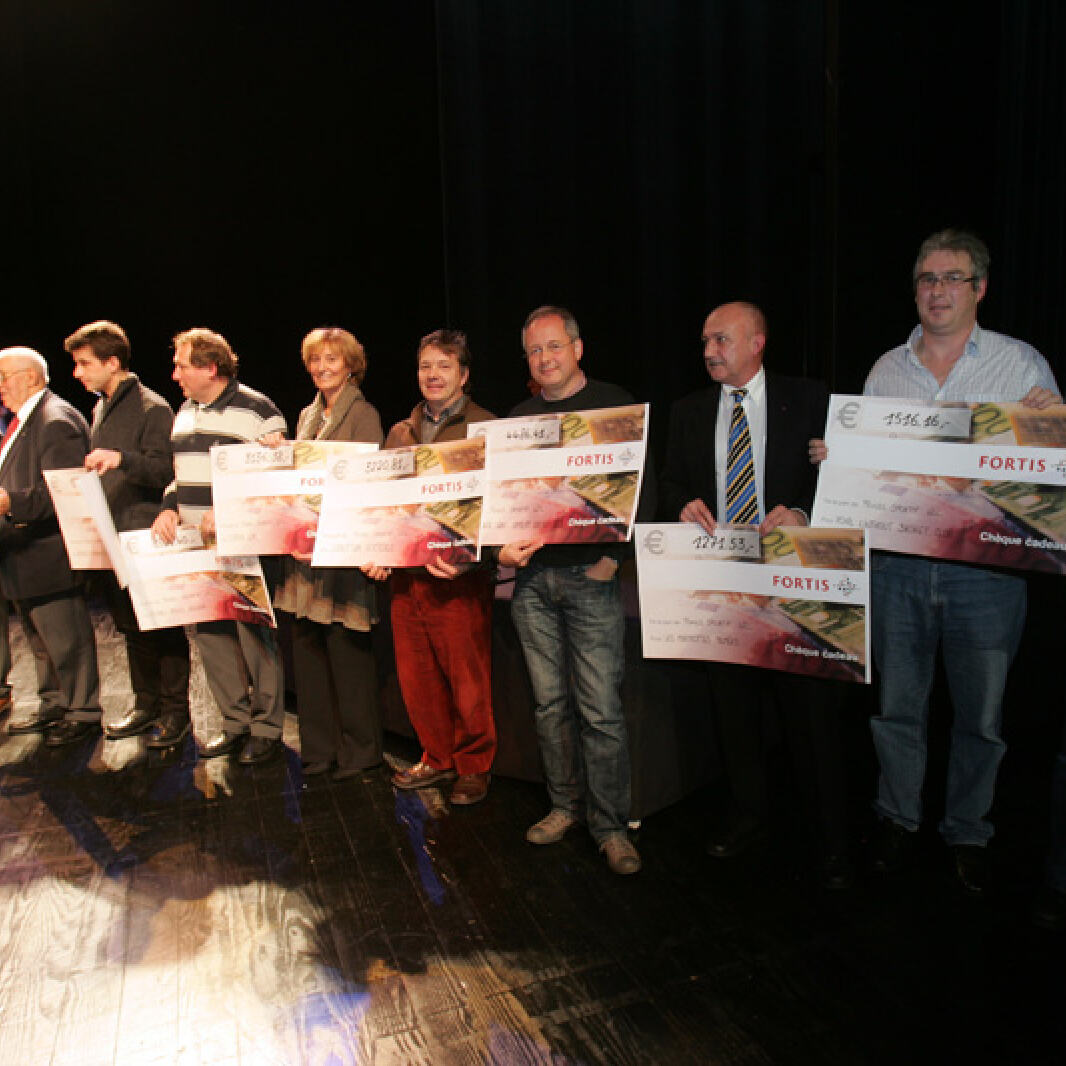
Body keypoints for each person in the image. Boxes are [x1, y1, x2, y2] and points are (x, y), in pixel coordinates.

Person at [813, 229, 1061, 896]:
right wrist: (837, 459)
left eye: (953, 278)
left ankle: (968, 832)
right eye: (927, 278)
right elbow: (866, 467)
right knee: (896, 708)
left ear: (980, 288)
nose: (938, 290)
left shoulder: (1021, 365)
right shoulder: (886, 371)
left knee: (981, 719)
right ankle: (898, 818)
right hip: (897, 568)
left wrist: (1052, 425)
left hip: (988, 577)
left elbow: (1049, 475)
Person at [660, 301, 852, 889]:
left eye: (720, 339)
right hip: (725, 585)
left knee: (809, 717)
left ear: (757, 342)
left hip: (796, 584)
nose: (709, 351)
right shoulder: (688, 411)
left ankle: (830, 837)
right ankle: (749, 815)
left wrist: (802, 511)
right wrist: (682, 505)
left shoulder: (810, 398)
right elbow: (670, 482)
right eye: (704, 341)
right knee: (734, 710)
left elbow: (843, 474)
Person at [498, 305, 641, 875]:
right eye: (534, 351)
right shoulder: (518, 419)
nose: (544, 359)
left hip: (591, 577)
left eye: (554, 346)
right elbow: (501, 499)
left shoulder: (615, 404)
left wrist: (612, 559)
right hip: (532, 581)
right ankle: (564, 807)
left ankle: (611, 828)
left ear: (578, 349)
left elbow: (640, 489)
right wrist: (500, 549)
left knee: (600, 710)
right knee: (549, 705)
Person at [151, 328, 287, 765]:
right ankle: (234, 723)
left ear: (210, 368)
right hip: (195, 543)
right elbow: (180, 475)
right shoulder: (184, 412)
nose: (175, 375)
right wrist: (168, 508)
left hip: (243, 544)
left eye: (181, 366)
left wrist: (228, 509)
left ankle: (266, 729)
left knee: (254, 637)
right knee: (211, 637)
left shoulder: (258, 411)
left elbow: (272, 482)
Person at [376, 329, 497, 806]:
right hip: (408, 576)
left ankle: (474, 766)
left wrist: (472, 560)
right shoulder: (399, 432)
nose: (433, 375)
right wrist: (378, 549)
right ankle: (437, 756)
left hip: (458, 577)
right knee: (417, 675)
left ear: (463, 375)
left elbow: (499, 504)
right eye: (426, 366)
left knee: (467, 678)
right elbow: (384, 503)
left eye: (444, 366)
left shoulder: (485, 427)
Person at [65, 320, 192, 749]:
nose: (77, 373)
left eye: (85, 363)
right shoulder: (101, 407)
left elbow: (165, 471)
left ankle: (175, 713)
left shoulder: (152, 408)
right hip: (114, 535)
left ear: (112, 362)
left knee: (162, 627)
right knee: (131, 627)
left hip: (146, 535)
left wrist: (120, 459)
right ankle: (146, 704)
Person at [274, 327, 384, 780]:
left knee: (347, 657)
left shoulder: (364, 415)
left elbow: (366, 488)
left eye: (332, 360)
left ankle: (362, 752)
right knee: (308, 655)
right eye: (316, 360)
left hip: (342, 554)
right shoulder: (306, 415)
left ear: (351, 365)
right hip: (302, 558)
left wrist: (327, 534)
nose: (322, 368)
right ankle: (318, 750)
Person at [0, 346, 103, 745]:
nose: (0, 386)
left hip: (49, 554)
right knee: (41, 642)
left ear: (31, 377)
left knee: (66, 641)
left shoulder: (55, 420)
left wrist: (9, 501)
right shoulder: (26, 421)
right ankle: (54, 703)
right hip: (23, 555)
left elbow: (63, 491)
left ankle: (82, 711)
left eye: (4, 377)